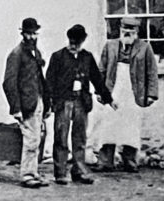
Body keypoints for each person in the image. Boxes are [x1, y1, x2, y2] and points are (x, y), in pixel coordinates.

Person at [45, 25, 113, 185]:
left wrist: (108, 98)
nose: (74, 45)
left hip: (81, 102)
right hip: (63, 102)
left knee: (80, 138)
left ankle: (79, 170)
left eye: (77, 42)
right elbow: (49, 81)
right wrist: (49, 103)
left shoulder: (87, 57)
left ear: (83, 41)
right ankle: (60, 172)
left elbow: (97, 79)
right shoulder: (58, 57)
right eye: (72, 42)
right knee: (61, 138)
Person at [93, 15, 159, 173]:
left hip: (133, 92)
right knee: (108, 125)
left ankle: (129, 160)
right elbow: (101, 70)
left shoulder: (144, 48)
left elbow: (151, 72)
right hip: (113, 91)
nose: (128, 33)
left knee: (130, 126)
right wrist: (100, 91)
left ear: (136, 32)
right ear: (120, 30)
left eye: (131, 30)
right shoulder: (110, 46)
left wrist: (151, 94)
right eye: (125, 30)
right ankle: (105, 161)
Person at [3, 17, 50, 188]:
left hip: (37, 101)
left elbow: (40, 79)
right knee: (30, 140)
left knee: (37, 139)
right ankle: (27, 174)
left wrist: (46, 103)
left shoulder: (35, 53)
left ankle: (34, 172)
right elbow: (9, 82)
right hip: (25, 104)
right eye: (28, 34)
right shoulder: (16, 54)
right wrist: (15, 108)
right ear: (22, 34)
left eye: (34, 34)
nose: (31, 37)